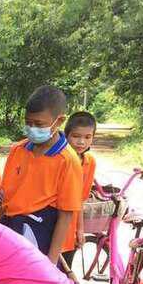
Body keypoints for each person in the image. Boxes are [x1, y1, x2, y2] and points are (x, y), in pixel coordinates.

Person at [0, 86, 83, 265]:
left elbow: (66, 215)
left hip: (39, 235)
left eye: (39, 124)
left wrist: (50, 262)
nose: (32, 129)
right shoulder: (18, 150)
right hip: (10, 229)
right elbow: (4, 197)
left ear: (59, 121)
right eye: (28, 123)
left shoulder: (68, 160)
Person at [62, 111, 98, 269]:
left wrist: (80, 229)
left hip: (71, 226)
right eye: (76, 136)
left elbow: (80, 199)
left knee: (65, 269)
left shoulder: (90, 162)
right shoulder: (59, 158)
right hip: (53, 221)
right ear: (67, 135)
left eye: (87, 137)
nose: (81, 142)